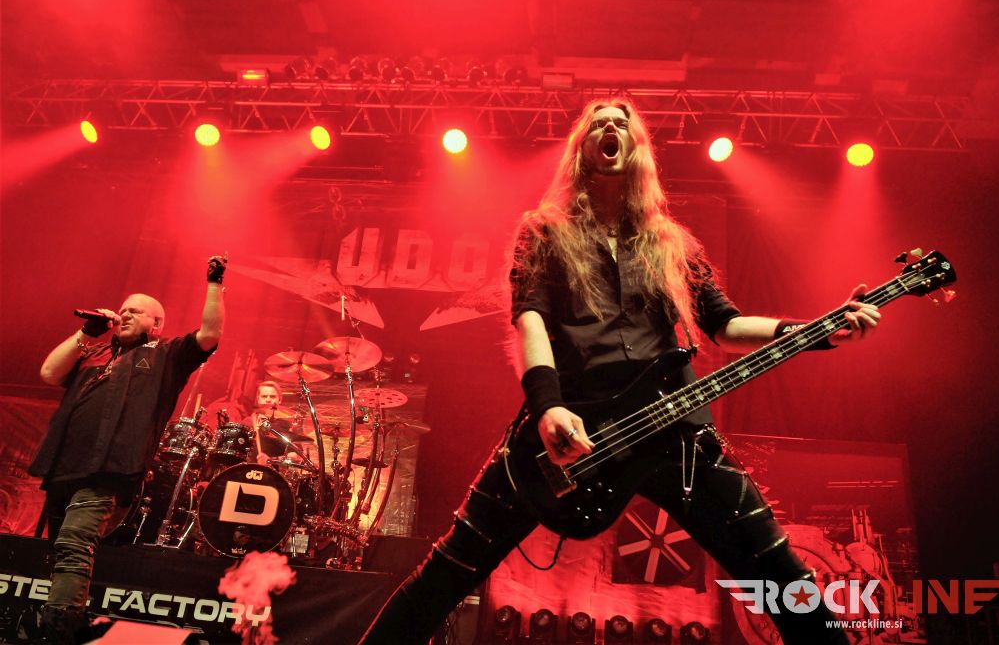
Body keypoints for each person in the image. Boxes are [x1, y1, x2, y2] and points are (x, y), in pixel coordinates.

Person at [358, 99, 880, 645]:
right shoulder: (545, 232)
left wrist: (815, 330)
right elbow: (531, 319)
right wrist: (547, 406)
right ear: (581, 149)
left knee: (782, 575)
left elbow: (725, 326)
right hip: (573, 420)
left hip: (674, 430)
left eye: (622, 123)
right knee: (448, 570)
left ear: (639, 149)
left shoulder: (673, 242)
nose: (610, 127)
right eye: (598, 124)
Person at [29, 256, 227, 644]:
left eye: (135, 311)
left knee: (73, 544)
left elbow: (210, 333)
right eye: (122, 309)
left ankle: (57, 632)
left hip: (110, 471)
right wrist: (86, 332)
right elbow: (50, 373)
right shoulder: (95, 354)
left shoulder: (167, 354)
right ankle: (72, 625)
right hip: (65, 466)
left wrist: (215, 283)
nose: (124, 314)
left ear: (157, 323)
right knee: (62, 551)